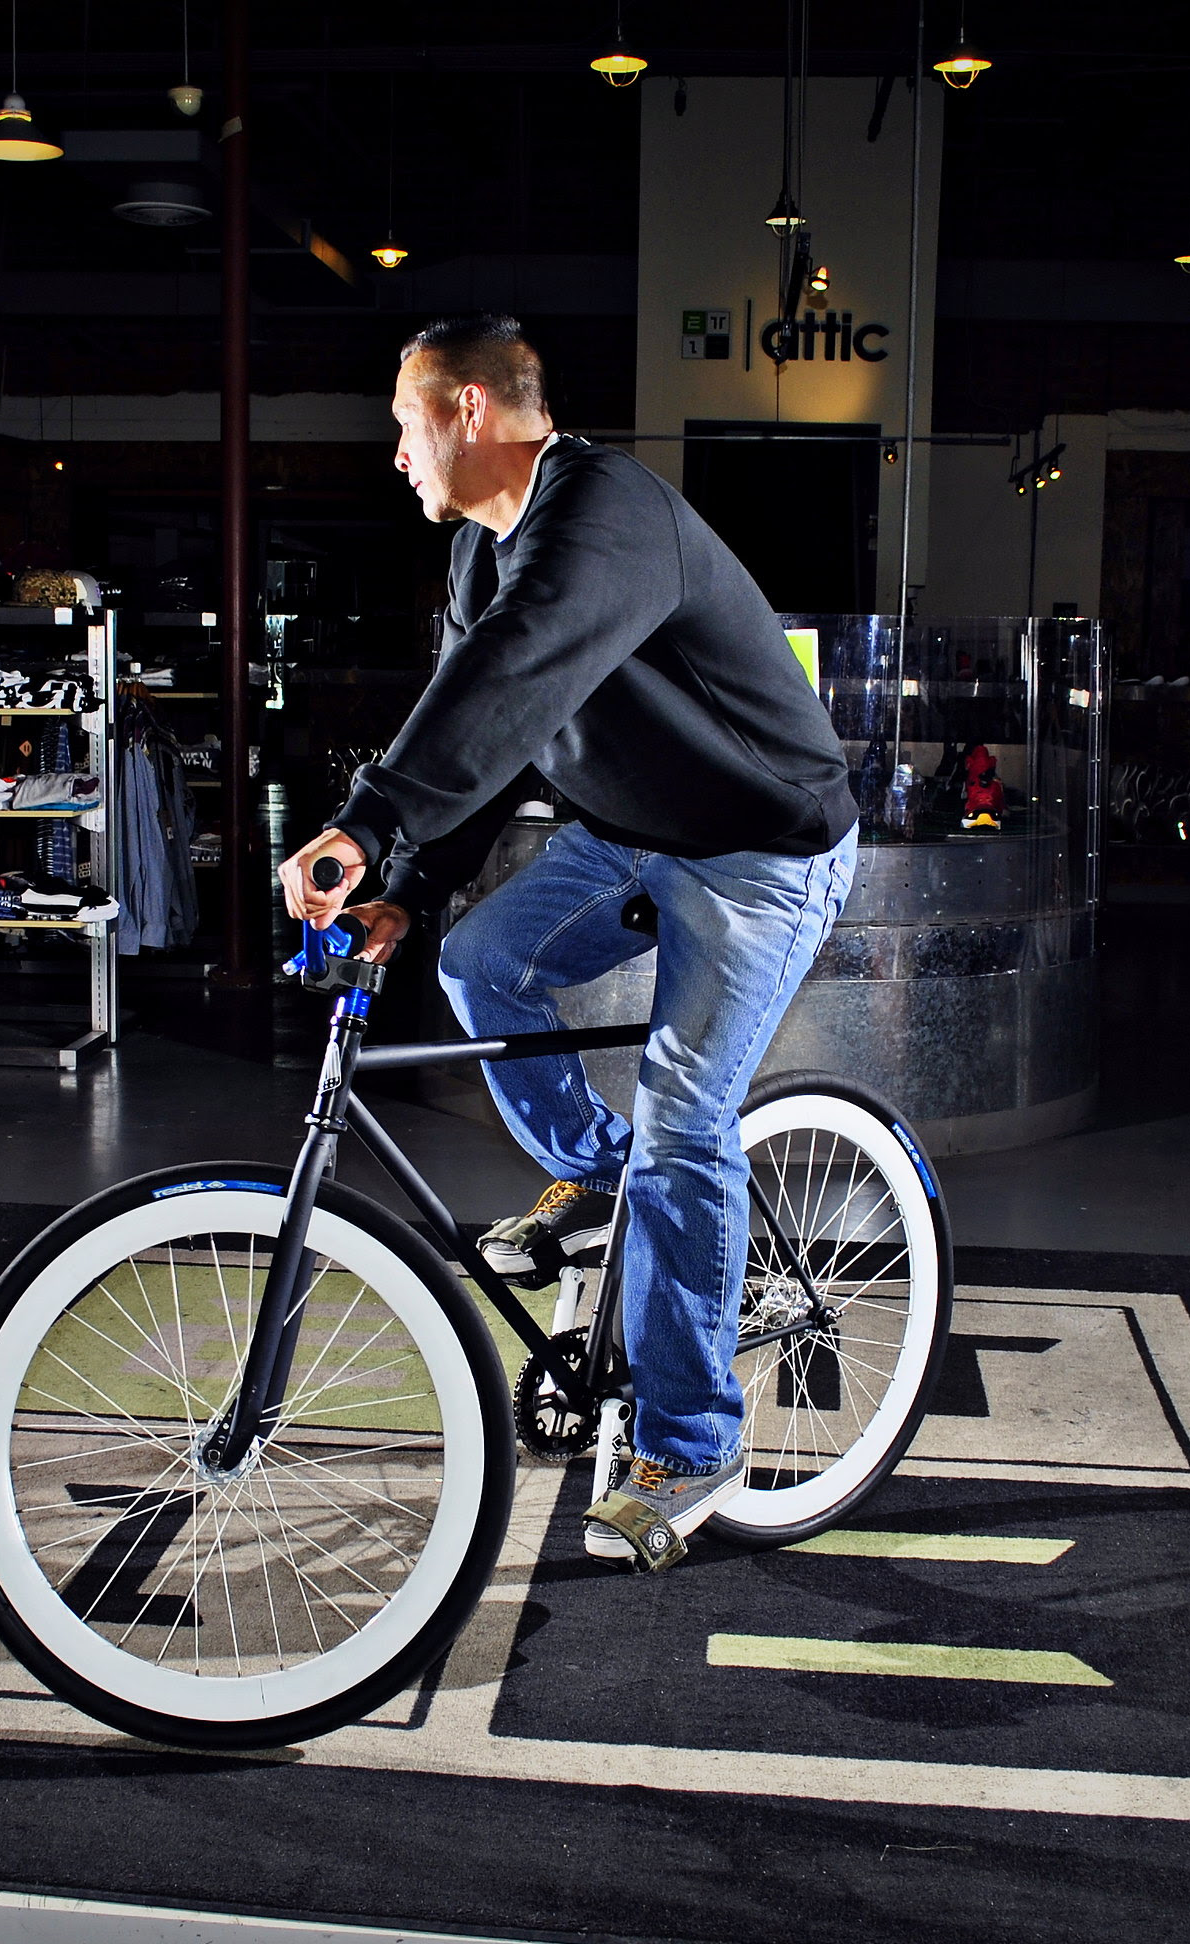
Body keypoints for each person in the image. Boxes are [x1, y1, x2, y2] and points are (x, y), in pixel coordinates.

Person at [279, 313, 858, 1570]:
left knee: (684, 1112)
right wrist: (411, 888)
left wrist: (368, 822)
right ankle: (600, 1179)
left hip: (762, 850)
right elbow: (491, 727)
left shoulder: (605, 513)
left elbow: (515, 666)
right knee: (481, 963)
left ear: (470, 407)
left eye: (405, 422)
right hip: (631, 838)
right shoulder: (479, 555)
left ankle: (693, 1440)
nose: (396, 454)